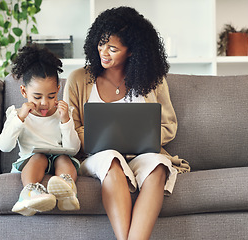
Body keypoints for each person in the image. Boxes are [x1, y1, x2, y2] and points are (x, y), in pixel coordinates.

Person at [64, 6, 190, 240]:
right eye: (101, 44)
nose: (104, 52)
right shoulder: (78, 79)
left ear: (131, 51)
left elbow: (168, 126)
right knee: (112, 158)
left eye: (113, 48)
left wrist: (139, 138)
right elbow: (70, 128)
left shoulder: (153, 79)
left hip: (142, 153)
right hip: (97, 156)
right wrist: (107, 140)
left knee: (158, 165)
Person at [0, 45, 81, 216]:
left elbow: (74, 149)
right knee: (39, 157)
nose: (44, 103)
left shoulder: (64, 113)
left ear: (58, 90)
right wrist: (20, 118)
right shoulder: (17, 115)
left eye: (51, 96)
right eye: (37, 97)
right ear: (23, 91)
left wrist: (65, 120)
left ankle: (67, 190)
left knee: (64, 158)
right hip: (31, 161)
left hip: (58, 158)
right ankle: (29, 193)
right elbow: (4, 146)